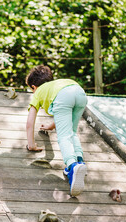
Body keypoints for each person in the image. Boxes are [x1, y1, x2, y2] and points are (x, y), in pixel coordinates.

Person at [25, 65, 87, 196]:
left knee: (63, 136)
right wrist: (51, 126)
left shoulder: (39, 92)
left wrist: (31, 145)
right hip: (79, 91)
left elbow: (30, 123)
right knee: (72, 132)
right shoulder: (56, 84)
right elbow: (64, 118)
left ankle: (72, 166)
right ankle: (80, 162)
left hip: (64, 97)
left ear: (33, 87)